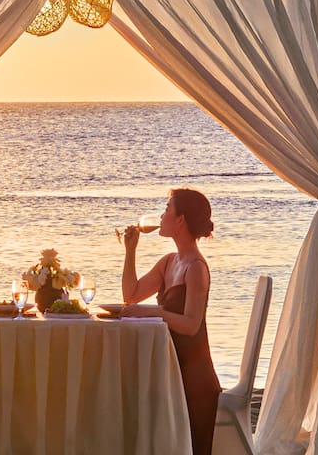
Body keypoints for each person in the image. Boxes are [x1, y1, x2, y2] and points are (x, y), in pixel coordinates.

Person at [121, 188, 223, 455]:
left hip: (193, 378)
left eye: (167, 209)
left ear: (180, 220)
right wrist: (130, 251)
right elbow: (131, 295)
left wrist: (152, 313)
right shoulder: (169, 262)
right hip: (170, 370)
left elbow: (191, 325)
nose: (161, 216)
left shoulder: (196, 268)